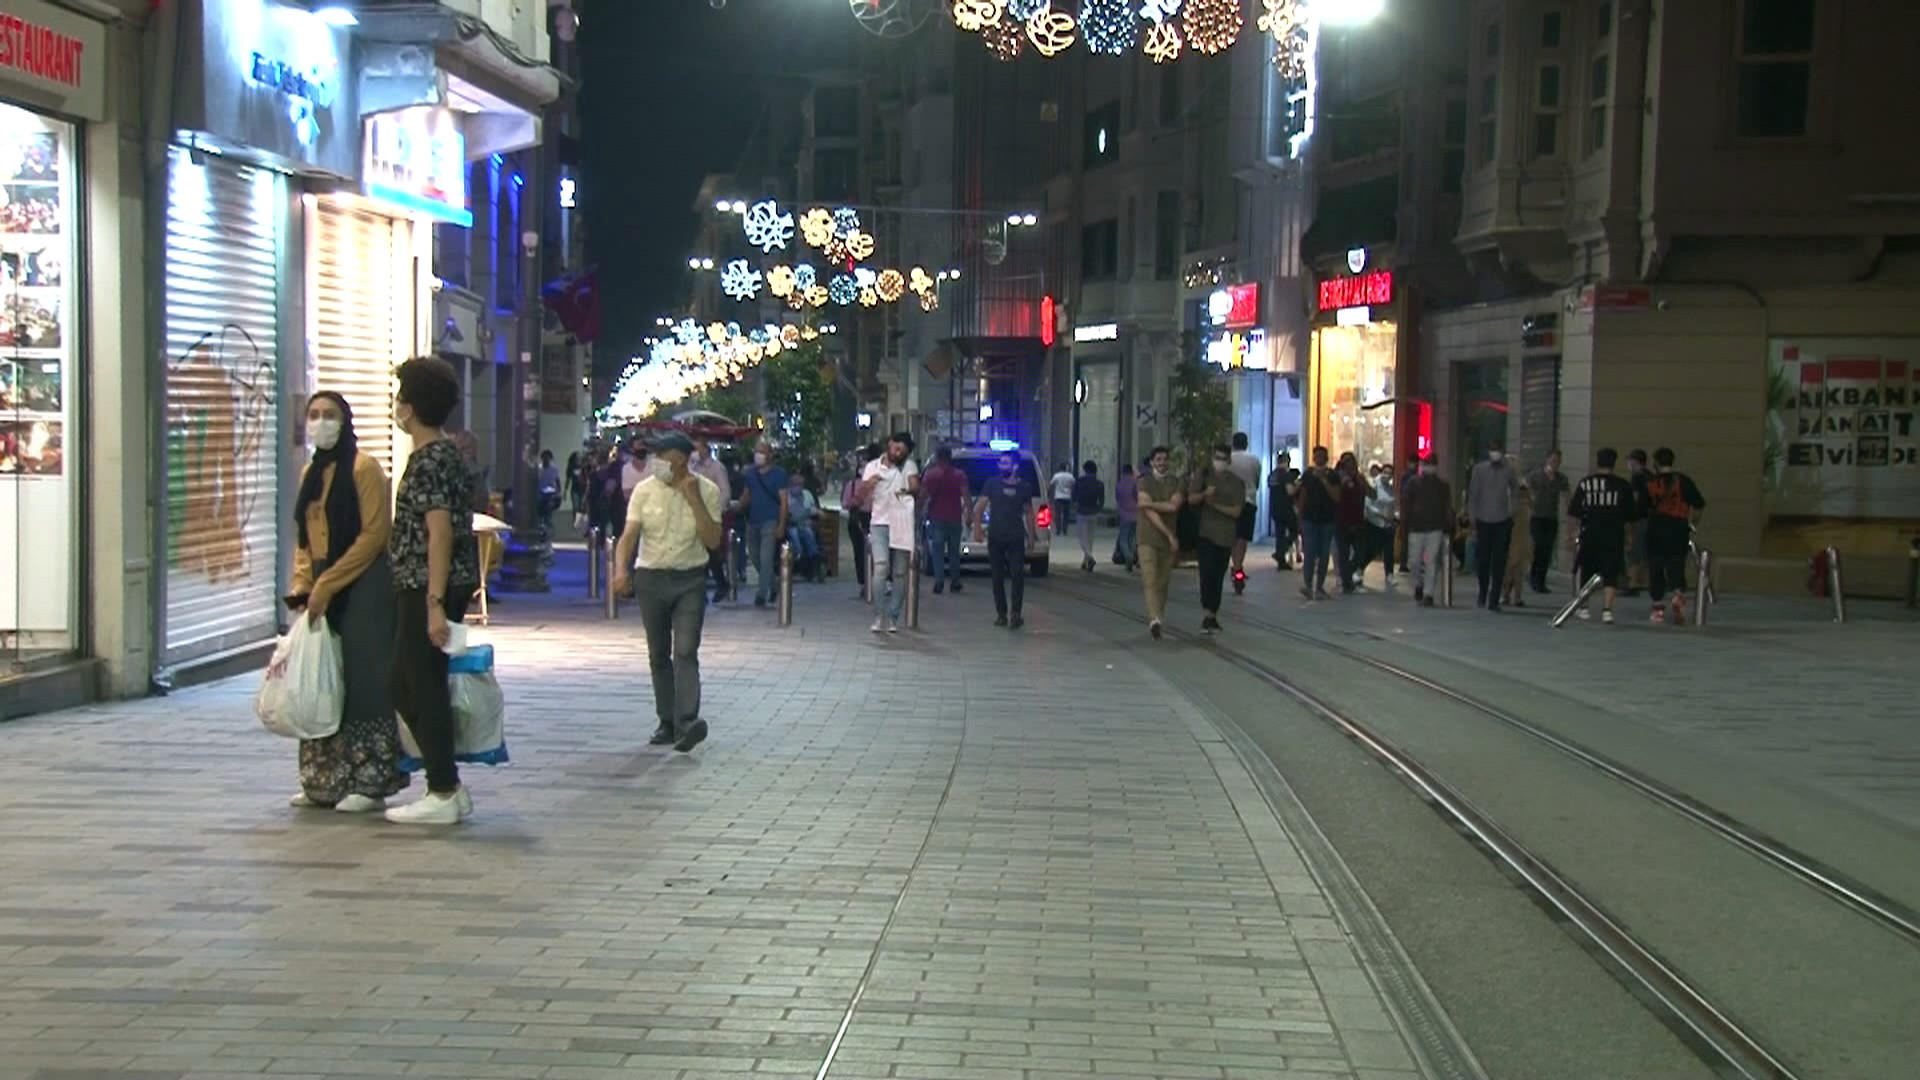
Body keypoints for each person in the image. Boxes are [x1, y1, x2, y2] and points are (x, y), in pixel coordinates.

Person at [286, 391, 401, 814]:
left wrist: (330, 582)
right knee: (321, 675)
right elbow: (305, 535)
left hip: (363, 584)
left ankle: (369, 780)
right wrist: (304, 585)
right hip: (322, 583)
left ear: (345, 420)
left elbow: (374, 535)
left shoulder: (364, 468)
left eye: (329, 415)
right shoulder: (310, 474)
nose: (320, 422)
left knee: (363, 678)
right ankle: (323, 780)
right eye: (314, 415)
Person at [383, 357, 482, 826]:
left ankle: (442, 788)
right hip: (434, 581)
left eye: (400, 396)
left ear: (412, 407)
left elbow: (438, 532)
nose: (395, 405)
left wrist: (434, 604)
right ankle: (448, 784)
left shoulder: (429, 461)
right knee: (412, 681)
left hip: (427, 583)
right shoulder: (448, 455)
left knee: (417, 684)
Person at [612, 432, 724, 751]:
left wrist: (694, 499)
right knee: (658, 652)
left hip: (690, 578)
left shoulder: (707, 491)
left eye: (663, 458)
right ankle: (667, 720)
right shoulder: (644, 492)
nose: (657, 463)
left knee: (686, 649)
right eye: (654, 457)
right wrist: (621, 570)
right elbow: (628, 536)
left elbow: (713, 540)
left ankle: (687, 721)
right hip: (651, 578)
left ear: (682, 460)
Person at [1568, 447, 1640, 625]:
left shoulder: (1586, 483)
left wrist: (1572, 532)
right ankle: (1607, 610)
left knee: (1587, 569)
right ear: (1614, 463)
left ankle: (1584, 608)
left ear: (1597, 461)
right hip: (1613, 533)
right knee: (1611, 572)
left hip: (1590, 532)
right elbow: (1629, 516)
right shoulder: (1622, 485)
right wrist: (1629, 536)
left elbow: (1574, 511)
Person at [860, 433, 920, 633]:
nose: (898, 453)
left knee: (900, 572)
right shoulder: (872, 467)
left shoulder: (908, 465)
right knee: (881, 566)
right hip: (879, 523)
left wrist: (907, 491)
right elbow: (860, 496)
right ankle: (878, 615)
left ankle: (893, 616)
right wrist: (870, 484)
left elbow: (915, 486)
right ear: (889, 445)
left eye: (903, 451)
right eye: (896, 449)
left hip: (901, 522)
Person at [972, 450, 1037, 629]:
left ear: (1015, 466)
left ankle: (1015, 613)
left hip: (1016, 536)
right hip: (996, 536)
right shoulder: (992, 484)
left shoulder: (1024, 487)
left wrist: (1031, 537)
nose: (1002, 466)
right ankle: (1001, 614)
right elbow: (979, 509)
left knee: (1017, 575)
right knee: (997, 576)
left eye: (1005, 463)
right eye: (1000, 463)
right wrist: (978, 530)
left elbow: (1029, 513)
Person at [1642, 447, 1707, 624]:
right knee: (1676, 564)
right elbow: (1699, 504)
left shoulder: (1651, 483)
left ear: (1655, 463)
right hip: (1678, 529)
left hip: (1656, 529)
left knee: (1656, 567)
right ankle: (1678, 594)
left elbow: (1643, 508)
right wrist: (1693, 524)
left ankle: (1657, 608)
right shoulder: (1684, 481)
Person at [1193, 444, 1247, 635]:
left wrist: (1214, 504)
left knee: (1217, 575)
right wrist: (1203, 495)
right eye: (1217, 457)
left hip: (1225, 536)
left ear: (1229, 460)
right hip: (1205, 534)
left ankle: (1212, 613)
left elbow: (1236, 511)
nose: (1219, 462)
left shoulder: (1236, 483)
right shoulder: (1204, 476)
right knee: (1206, 574)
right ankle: (1208, 613)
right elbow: (1191, 499)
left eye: (1223, 458)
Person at [1135, 446, 1184, 639]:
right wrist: (1168, 532)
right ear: (1152, 462)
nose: (1162, 463)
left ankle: (1158, 617)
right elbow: (1149, 513)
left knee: (1163, 582)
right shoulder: (1144, 481)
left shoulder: (1176, 482)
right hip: (1147, 537)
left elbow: (1174, 506)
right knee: (1150, 578)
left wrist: (1148, 503)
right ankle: (1154, 618)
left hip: (1168, 540)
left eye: (1165, 459)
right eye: (1158, 459)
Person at [1466, 441, 1520, 611]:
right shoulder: (1480, 470)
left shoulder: (1509, 470)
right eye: (1492, 450)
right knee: (1483, 560)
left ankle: (1494, 597)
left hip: (1502, 521)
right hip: (1483, 520)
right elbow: (1473, 494)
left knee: (1499, 562)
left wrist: (1512, 511)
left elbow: (1516, 491)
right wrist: (1472, 517)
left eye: (1498, 450)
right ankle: (1483, 591)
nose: (1495, 453)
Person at [740, 440, 789, 608]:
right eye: (756, 451)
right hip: (753, 521)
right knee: (755, 557)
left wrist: (781, 524)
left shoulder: (779, 474)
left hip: (770, 520)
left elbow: (783, 501)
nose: (758, 455)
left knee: (766, 557)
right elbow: (747, 495)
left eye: (762, 452)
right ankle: (773, 585)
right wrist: (737, 505)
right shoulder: (750, 474)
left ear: (769, 455)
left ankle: (761, 594)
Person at [1401, 455, 1452, 607]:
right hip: (1416, 527)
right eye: (1427, 464)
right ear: (1422, 465)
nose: (1430, 467)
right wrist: (1404, 524)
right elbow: (1406, 504)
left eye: (1433, 464)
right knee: (1414, 561)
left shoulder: (1443, 485)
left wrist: (1448, 525)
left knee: (1431, 561)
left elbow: (1447, 506)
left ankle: (1428, 594)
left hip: (1436, 527)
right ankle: (1419, 583)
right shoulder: (1413, 483)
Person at [920, 446, 969, 594]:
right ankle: (955, 582)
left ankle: (939, 582)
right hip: (955, 517)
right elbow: (966, 495)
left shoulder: (930, 475)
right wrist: (970, 514)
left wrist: (917, 511)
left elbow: (922, 495)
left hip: (937, 517)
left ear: (937, 457)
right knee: (954, 552)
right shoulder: (959, 475)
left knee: (937, 552)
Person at [689, 434, 732, 602]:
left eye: (697, 448)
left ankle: (721, 584)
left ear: (706, 449)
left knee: (711, 552)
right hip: (694, 514)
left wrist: (717, 512)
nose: (694, 452)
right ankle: (701, 590)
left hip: (711, 514)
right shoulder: (691, 467)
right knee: (698, 553)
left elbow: (725, 492)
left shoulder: (717, 468)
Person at [1525, 450, 1572, 593]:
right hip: (1537, 516)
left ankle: (1541, 580)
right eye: (1553, 460)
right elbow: (1524, 490)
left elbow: (1566, 497)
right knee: (1539, 546)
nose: (1555, 464)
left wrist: (1569, 514)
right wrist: (1529, 504)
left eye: (1558, 461)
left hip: (1551, 517)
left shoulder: (1561, 479)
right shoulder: (1536, 476)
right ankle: (1534, 577)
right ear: (1547, 460)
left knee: (1547, 549)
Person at [1296, 446, 1339, 600]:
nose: (1319, 459)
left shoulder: (1333, 475)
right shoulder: (1308, 475)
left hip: (1327, 520)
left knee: (1324, 553)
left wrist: (1324, 480)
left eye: (1322, 456)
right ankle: (1307, 585)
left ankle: (1319, 586)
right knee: (1309, 552)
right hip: (1309, 519)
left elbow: (1336, 496)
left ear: (1326, 458)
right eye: (1316, 456)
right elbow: (1303, 495)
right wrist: (1299, 518)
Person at [1227, 432, 1261, 593]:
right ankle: (1239, 567)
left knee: (1233, 536)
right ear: (1246, 443)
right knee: (1243, 537)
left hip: (1230, 502)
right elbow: (1256, 481)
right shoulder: (1254, 460)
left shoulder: (1228, 460)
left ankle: (1236, 567)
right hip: (1249, 501)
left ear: (1233, 444)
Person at [842, 444, 877, 597]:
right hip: (861, 519)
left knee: (863, 552)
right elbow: (846, 503)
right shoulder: (854, 484)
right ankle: (867, 582)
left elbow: (845, 504)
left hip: (867, 518)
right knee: (865, 552)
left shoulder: (855, 484)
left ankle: (867, 582)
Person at [1333, 452, 1367, 593]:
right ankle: (1347, 583)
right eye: (1347, 462)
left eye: (1352, 461)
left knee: (1361, 552)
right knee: (1343, 553)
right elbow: (1336, 497)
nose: (1350, 465)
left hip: (1357, 521)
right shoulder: (1338, 478)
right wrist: (1343, 483)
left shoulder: (1359, 479)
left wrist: (1362, 482)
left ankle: (1347, 574)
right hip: (1342, 521)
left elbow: (1372, 494)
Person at [1363, 463, 1398, 589]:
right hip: (1374, 523)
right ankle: (1359, 570)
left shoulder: (1390, 488)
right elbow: (1368, 505)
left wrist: (1394, 516)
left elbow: (1393, 505)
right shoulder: (1373, 484)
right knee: (1372, 549)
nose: (1387, 475)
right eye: (1385, 472)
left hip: (1388, 524)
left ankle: (1389, 574)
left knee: (1389, 550)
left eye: (1390, 473)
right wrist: (1381, 515)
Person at [1500, 483, 1535, 608]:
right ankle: (1514, 596)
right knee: (1515, 569)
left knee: (1511, 569)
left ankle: (1508, 595)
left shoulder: (1516, 505)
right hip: (1518, 541)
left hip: (1517, 541)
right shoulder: (1525, 506)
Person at [785, 471, 822, 581]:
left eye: (800, 484)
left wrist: (817, 513)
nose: (798, 487)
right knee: (795, 536)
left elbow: (812, 508)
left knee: (809, 535)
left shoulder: (807, 494)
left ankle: (814, 560)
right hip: (791, 525)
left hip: (805, 523)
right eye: (796, 484)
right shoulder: (786, 495)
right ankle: (798, 557)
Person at [1624, 448, 1652, 594]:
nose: (1628, 464)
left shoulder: (1636, 478)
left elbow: (1634, 499)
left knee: (1633, 551)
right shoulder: (1651, 477)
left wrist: (1627, 516)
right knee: (1646, 552)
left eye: (1629, 461)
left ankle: (1633, 584)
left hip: (1638, 519)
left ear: (1635, 462)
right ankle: (1647, 582)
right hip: (1651, 518)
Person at [1072, 460, 1105, 573]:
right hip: (1093, 513)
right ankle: (1085, 561)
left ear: (1085, 470)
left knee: (1082, 538)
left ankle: (1090, 557)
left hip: (1082, 512)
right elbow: (1101, 500)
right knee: (1090, 539)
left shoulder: (1079, 481)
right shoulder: (1099, 483)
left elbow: (1074, 496)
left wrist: (1075, 504)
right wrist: (1098, 509)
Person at [1269, 452, 1298, 569]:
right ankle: (1281, 552)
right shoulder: (1286, 475)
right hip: (1286, 508)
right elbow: (1290, 492)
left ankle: (1281, 562)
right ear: (1287, 462)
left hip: (1275, 507)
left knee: (1279, 534)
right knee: (1294, 530)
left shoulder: (1272, 475)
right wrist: (1299, 486)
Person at [1112, 463, 1139, 572]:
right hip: (1136, 514)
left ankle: (1128, 557)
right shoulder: (1135, 483)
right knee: (1132, 538)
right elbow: (1138, 497)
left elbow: (1117, 499)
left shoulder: (1119, 484)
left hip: (1124, 515)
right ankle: (1132, 556)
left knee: (1123, 538)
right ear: (1131, 472)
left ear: (1123, 472)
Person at [536, 449, 562, 533]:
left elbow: (557, 481)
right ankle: (542, 526)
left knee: (548, 511)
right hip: (539, 494)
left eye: (547, 459)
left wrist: (558, 492)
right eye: (544, 458)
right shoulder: (538, 469)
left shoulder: (554, 469)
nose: (546, 461)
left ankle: (548, 527)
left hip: (550, 494)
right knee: (540, 513)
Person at [1049, 461, 1075, 536]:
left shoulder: (1056, 476)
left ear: (1060, 468)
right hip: (1067, 497)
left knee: (1058, 514)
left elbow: (1051, 485)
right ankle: (1065, 529)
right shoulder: (1070, 476)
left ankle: (1058, 529)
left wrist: (1050, 495)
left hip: (1058, 497)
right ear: (1066, 468)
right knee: (1066, 514)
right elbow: (1073, 486)